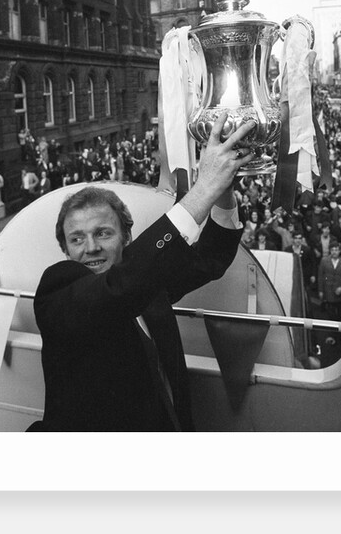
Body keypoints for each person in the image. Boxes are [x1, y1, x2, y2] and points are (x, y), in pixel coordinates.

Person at [28, 111, 253, 432]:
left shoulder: (145, 286)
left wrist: (222, 189)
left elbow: (209, 259)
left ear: (127, 237)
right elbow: (120, 288)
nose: (90, 247)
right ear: (65, 249)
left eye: (103, 233)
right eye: (76, 239)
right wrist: (202, 189)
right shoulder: (57, 293)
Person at [317, 239, 341, 321]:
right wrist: (320, 291)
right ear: (330, 251)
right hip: (329, 293)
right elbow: (320, 277)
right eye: (332, 250)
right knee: (330, 316)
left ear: (339, 251)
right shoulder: (324, 261)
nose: (334, 252)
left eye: (336, 250)